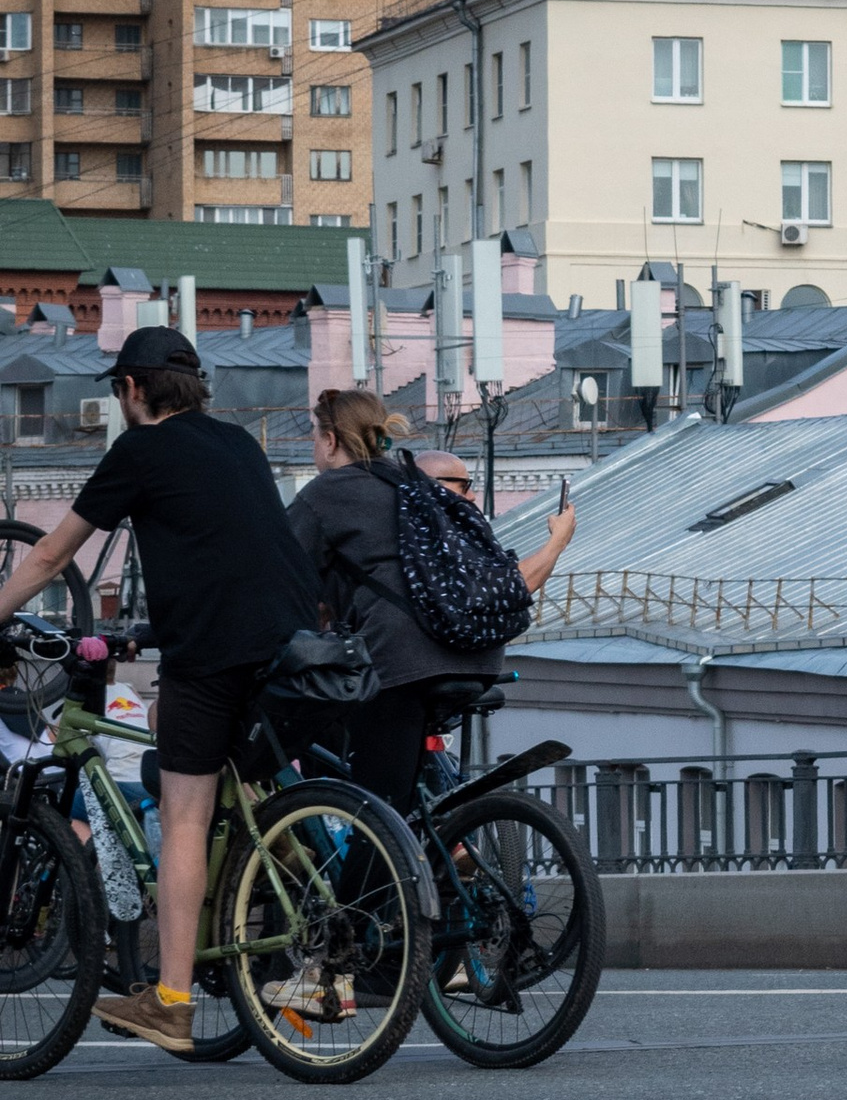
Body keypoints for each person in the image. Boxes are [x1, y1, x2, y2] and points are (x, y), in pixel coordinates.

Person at [0, 324, 318, 1054]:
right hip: (292, 646)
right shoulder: (240, 443)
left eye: (117, 391)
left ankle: (172, 999)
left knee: (183, 814)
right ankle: (317, 955)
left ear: (132, 390)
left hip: (211, 656)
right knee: (248, 801)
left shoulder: (141, 450)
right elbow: (226, 548)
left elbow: (50, 554)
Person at [287, 389, 577, 814]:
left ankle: (378, 874)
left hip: (402, 662)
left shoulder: (326, 491)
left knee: (376, 817)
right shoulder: (419, 485)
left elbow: (279, 577)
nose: (314, 447)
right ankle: (447, 848)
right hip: (478, 655)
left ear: (330, 440)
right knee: (405, 799)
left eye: (314, 437)